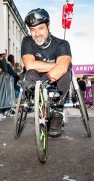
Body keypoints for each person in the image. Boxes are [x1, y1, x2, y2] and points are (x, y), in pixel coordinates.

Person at [21, 8, 72, 137]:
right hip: (35, 77)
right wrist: (56, 65)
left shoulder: (62, 44)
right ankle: (40, 107)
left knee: (65, 73)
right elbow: (30, 64)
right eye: (33, 30)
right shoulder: (27, 41)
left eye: (40, 28)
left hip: (56, 80)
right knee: (31, 72)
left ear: (48, 27)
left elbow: (63, 68)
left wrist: (47, 77)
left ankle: (57, 112)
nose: (37, 34)